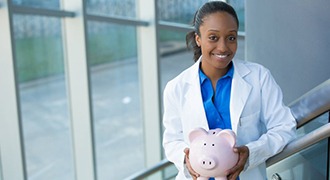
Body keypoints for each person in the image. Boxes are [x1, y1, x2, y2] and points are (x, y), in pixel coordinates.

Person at [162, 1, 296, 180]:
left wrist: (251, 152)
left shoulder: (259, 77)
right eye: (213, 37)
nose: (223, 47)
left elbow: (284, 126)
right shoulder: (176, 88)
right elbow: (171, 140)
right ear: (198, 39)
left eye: (231, 37)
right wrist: (187, 160)